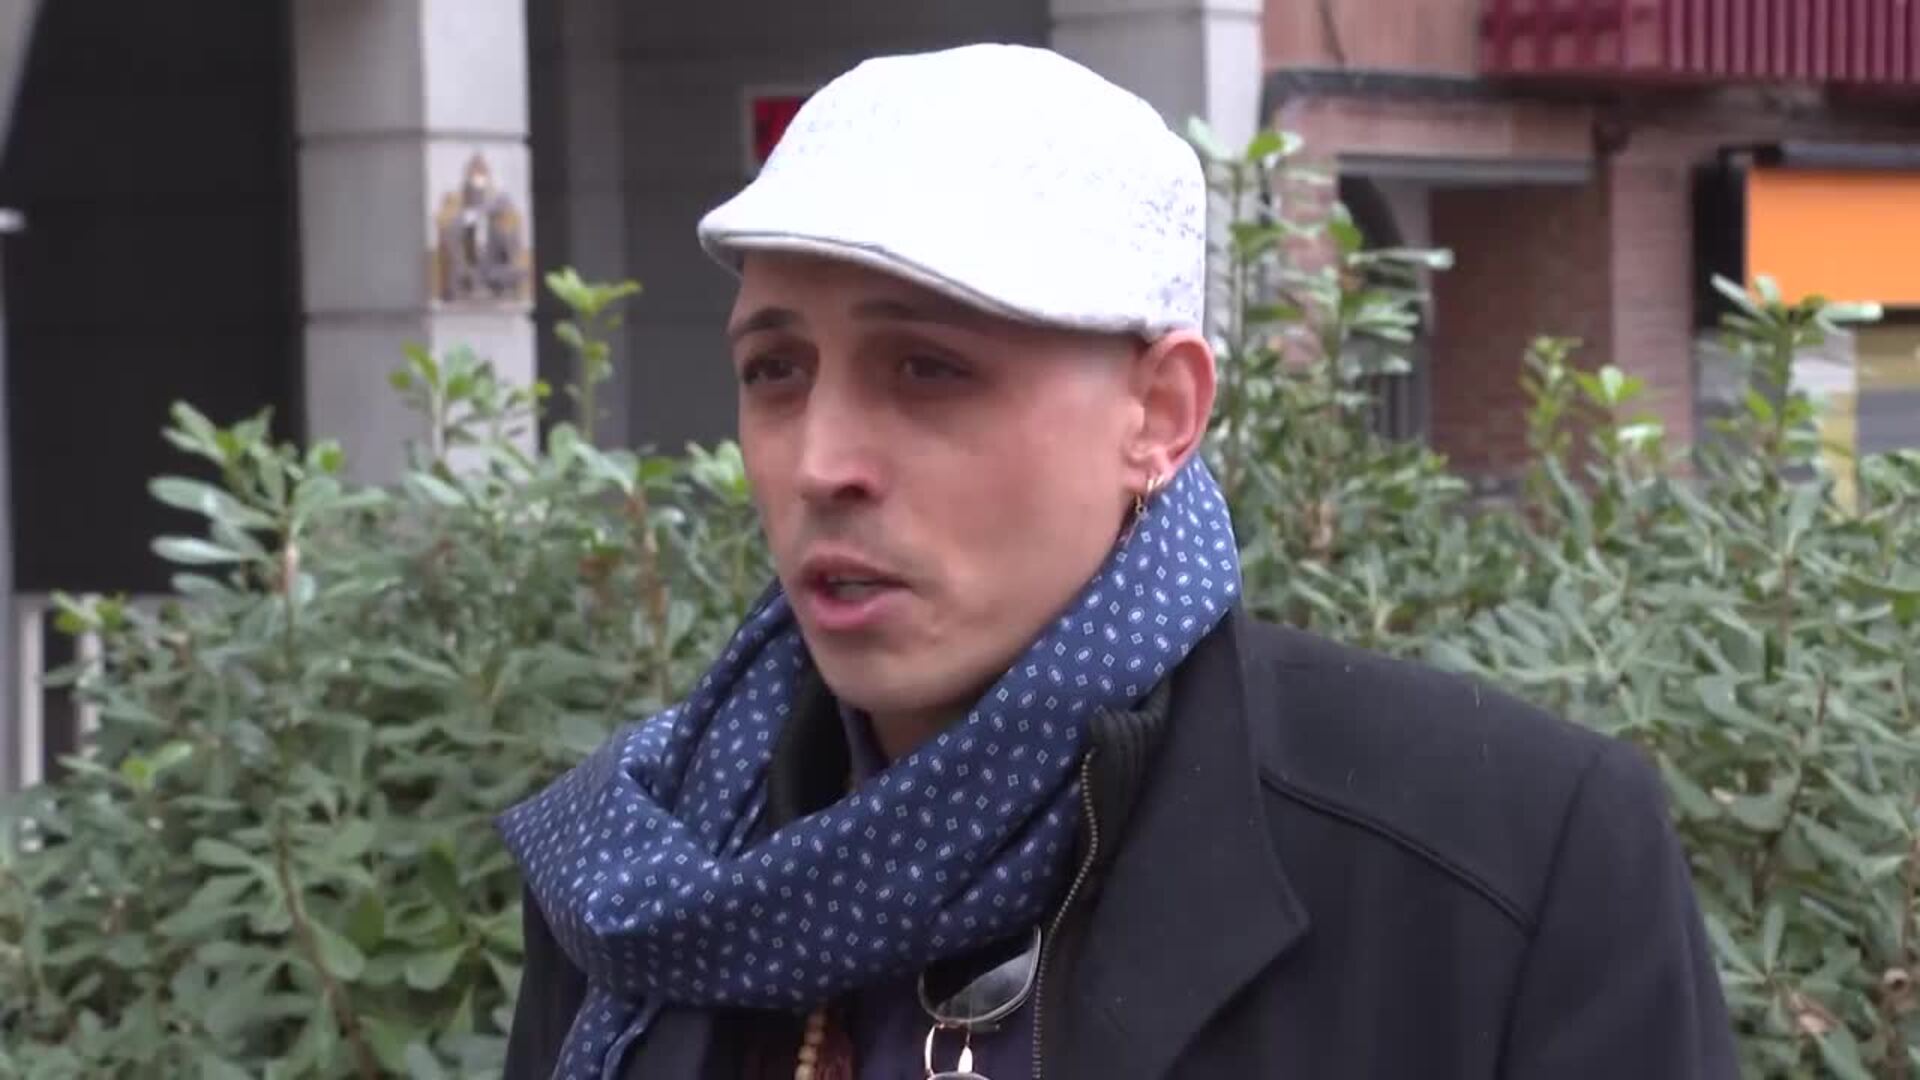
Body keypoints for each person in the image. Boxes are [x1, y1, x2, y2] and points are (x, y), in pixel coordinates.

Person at [497, 43, 1740, 1080]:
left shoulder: (1507, 862)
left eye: (927, 369)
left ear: (1159, 412)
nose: (822, 461)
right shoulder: (640, 872)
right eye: (776, 369)